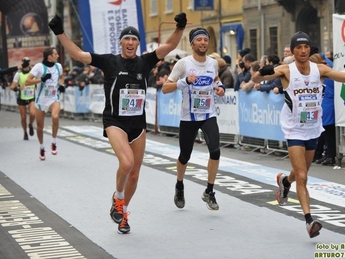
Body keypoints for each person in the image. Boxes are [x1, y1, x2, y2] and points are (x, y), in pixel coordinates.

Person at [48, 13, 187, 234]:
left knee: (134, 173)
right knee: (126, 163)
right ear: (121, 42)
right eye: (126, 39)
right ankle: (118, 197)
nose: (130, 43)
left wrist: (180, 27)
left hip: (137, 124)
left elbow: (169, 46)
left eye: (134, 40)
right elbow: (78, 54)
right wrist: (60, 33)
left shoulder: (145, 61)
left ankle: (123, 212)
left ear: (137, 44)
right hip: (115, 121)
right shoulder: (109, 61)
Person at [252, 31, 345, 238]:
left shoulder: (320, 69)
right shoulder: (286, 70)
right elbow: (256, 78)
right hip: (294, 129)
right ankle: (309, 221)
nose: (302, 51)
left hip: (313, 128)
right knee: (302, 176)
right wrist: (262, 71)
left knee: (300, 173)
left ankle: (285, 182)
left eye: (306, 47)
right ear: (293, 51)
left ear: (310, 49)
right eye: (298, 48)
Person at [161, 27, 225, 211]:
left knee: (215, 151)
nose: (203, 43)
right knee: (185, 155)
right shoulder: (183, 64)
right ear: (192, 44)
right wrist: (185, 82)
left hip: (208, 114)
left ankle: (209, 191)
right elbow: (166, 88)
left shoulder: (213, 63)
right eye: (199, 40)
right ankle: (179, 185)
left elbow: (216, 80)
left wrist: (220, 87)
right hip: (189, 117)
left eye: (205, 39)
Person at [25, 47, 64, 160]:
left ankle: (54, 141)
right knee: (40, 127)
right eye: (55, 54)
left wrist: (61, 85)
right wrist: (41, 79)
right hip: (41, 100)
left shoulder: (58, 66)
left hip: (54, 97)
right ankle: (42, 147)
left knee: (55, 117)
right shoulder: (39, 67)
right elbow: (27, 82)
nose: (57, 55)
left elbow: (61, 77)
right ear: (49, 57)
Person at [9, 57, 36, 140]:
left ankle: (30, 124)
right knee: (23, 117)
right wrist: (18, 88)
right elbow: (11, 87)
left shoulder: (34, 72)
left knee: (32, 113)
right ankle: (25, 132)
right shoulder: (18, 74)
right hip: (22, 97)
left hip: (31, 97)